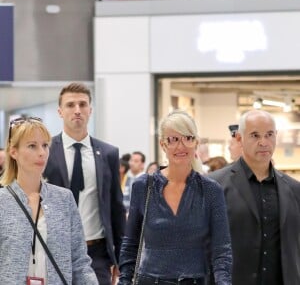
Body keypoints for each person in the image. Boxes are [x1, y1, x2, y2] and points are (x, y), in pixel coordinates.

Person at [118, 109, 232, 285]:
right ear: (163, 144)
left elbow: (222, 250)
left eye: (188, 138)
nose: (181, 146)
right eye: (173, 139)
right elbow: (130, 244)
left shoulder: (210, 190)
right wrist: (124, 281)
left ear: (196, 143)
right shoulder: (144, 186)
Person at [43, 82, 126, 285]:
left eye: (83, 104)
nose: (77, 110)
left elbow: (116, 207)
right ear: (60, 111)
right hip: (52, 247)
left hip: (96, 252)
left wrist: (121, 258)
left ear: (90, 110)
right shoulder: (45, 151)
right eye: (70, 105)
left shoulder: (108, 153)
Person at [0, 116, 98, 284]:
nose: (41, 152)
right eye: (32, 146)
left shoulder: (64, 199)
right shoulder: (3, 201)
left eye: (45, 145)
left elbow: (79, 261)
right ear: (13, 151)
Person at [209, 110, 300, 285]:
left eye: (269, 135)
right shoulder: (215, 185)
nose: (263, 142)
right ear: (239, 138)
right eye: (255, 135)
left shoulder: (294, 189)